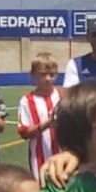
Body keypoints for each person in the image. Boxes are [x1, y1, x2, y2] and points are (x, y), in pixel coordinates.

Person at [17, 52, 62, 181]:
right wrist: (46, 124)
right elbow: (24, 133)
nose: (48, 78)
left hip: (64, 156)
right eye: (43, 74)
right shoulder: (27, 100)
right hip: (39, 158)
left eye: (52, 74)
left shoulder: (64, 96)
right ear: (33, 75)